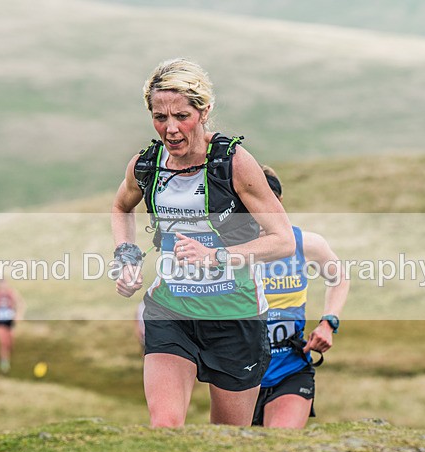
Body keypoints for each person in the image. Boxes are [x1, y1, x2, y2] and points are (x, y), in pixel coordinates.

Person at [111, 58, 295, 428]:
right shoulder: (146, 165)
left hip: (235, 317)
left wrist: (217, 256)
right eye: (160, 117)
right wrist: (127, 257)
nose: (171, 128)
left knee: (228, 441)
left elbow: (283, 241)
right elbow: (120, 206)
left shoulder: (234, 163)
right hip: (171, 311)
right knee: (165, 426)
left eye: (182, 116)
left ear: (204, 110)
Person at [252, 166, 350, 428]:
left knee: (281, 446)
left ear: (279, 202)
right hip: (238, 376)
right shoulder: (225, 250)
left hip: (291, 370)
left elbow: (340, 278)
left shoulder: (306, 244)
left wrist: (328, 323)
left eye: (267, 202)